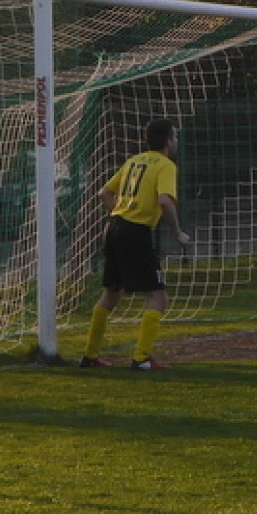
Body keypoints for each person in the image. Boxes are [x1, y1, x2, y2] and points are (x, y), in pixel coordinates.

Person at [80, 118, 191, 370]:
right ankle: (141, 358)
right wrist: (177, 232)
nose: (175, 142)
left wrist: (120, 215)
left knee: (111, 292)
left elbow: (104, 193)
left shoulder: (134, 161)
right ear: (168, 142)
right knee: (157, 295)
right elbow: (164, 201)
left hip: (114, 227)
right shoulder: (165, 165)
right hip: (135, 232)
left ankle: (90, 355)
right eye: (174, 137)